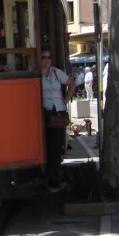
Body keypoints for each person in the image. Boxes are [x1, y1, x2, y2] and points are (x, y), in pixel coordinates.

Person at [41, 51, 75, 191]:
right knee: (49, 147)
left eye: (49, 57)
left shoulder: (56, 72)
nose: (47, 60)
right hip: (45, 113)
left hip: (58, 113)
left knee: (56, 146)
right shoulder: (37, 74)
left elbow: (72, 83)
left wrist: (66, 100)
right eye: (44, 57)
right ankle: (51, 178)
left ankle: (54, 178)